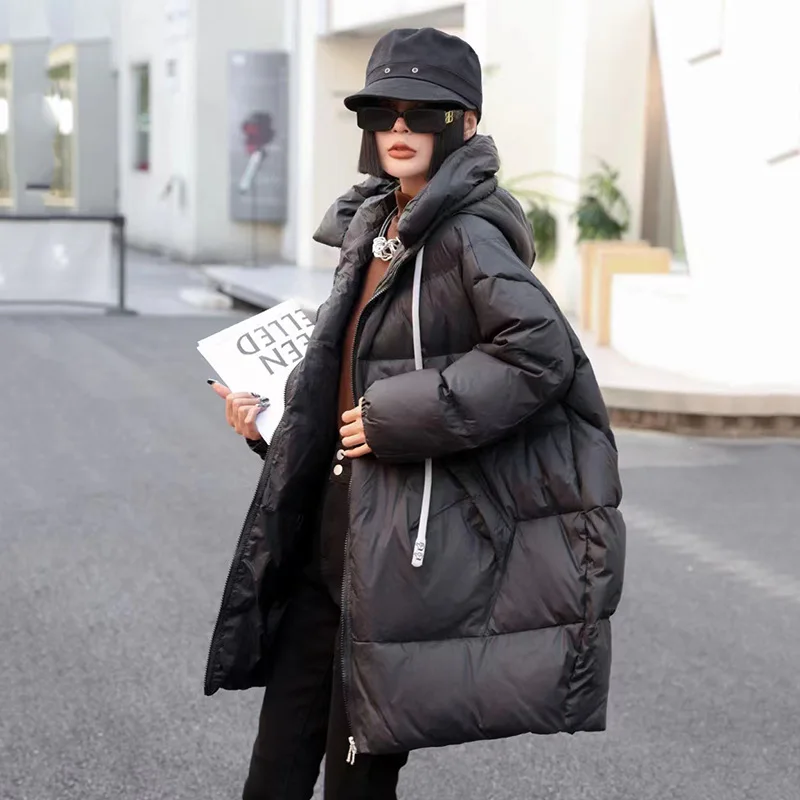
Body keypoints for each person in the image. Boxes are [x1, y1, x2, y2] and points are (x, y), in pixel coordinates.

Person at [206, 27, 626, 800]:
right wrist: (272, 426)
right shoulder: (373, 229)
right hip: (325, 552)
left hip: (393, 556)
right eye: (385, 112)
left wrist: (400, 413)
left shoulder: (467, 234)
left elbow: (539, 353)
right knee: (273, 774)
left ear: (463, 125)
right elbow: (352, 379)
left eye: (422, 112)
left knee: (357, 784)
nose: (399, 129)